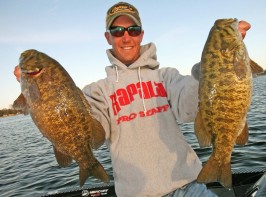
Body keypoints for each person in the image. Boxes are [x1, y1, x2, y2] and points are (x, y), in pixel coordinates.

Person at [14, 2, 251, 196]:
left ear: (141, 34)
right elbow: (90, 129)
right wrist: (42, 96)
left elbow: (190, 108)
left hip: (189, 186)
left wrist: (215, 67)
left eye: (132, 30)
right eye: (117, 31)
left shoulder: (165, 76)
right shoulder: (97, 91)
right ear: (108, 37)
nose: (126, 37)